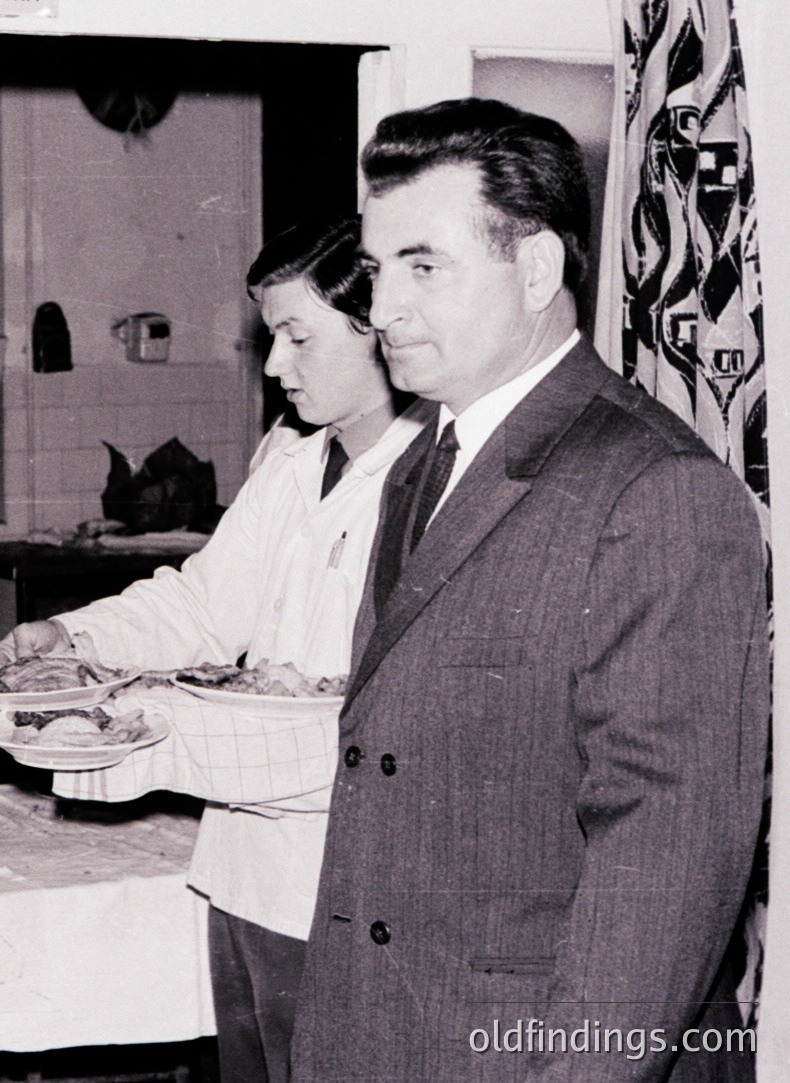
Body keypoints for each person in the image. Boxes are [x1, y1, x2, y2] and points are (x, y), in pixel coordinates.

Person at [290, 98, 768, 1082]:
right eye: (380, 274)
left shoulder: (655, 489)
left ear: (538, 270)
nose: (381, 312)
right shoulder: (426, 459)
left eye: (425, 268)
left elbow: (666, 864)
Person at [0, 215, 424, 1083]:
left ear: (376, 329)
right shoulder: (293, 466)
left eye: (296, 337)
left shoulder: (427, 480)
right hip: (241, 872)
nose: (273, 366)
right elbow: (201, 606)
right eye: (271, 339)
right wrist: (71, 635)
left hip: (345, 883)